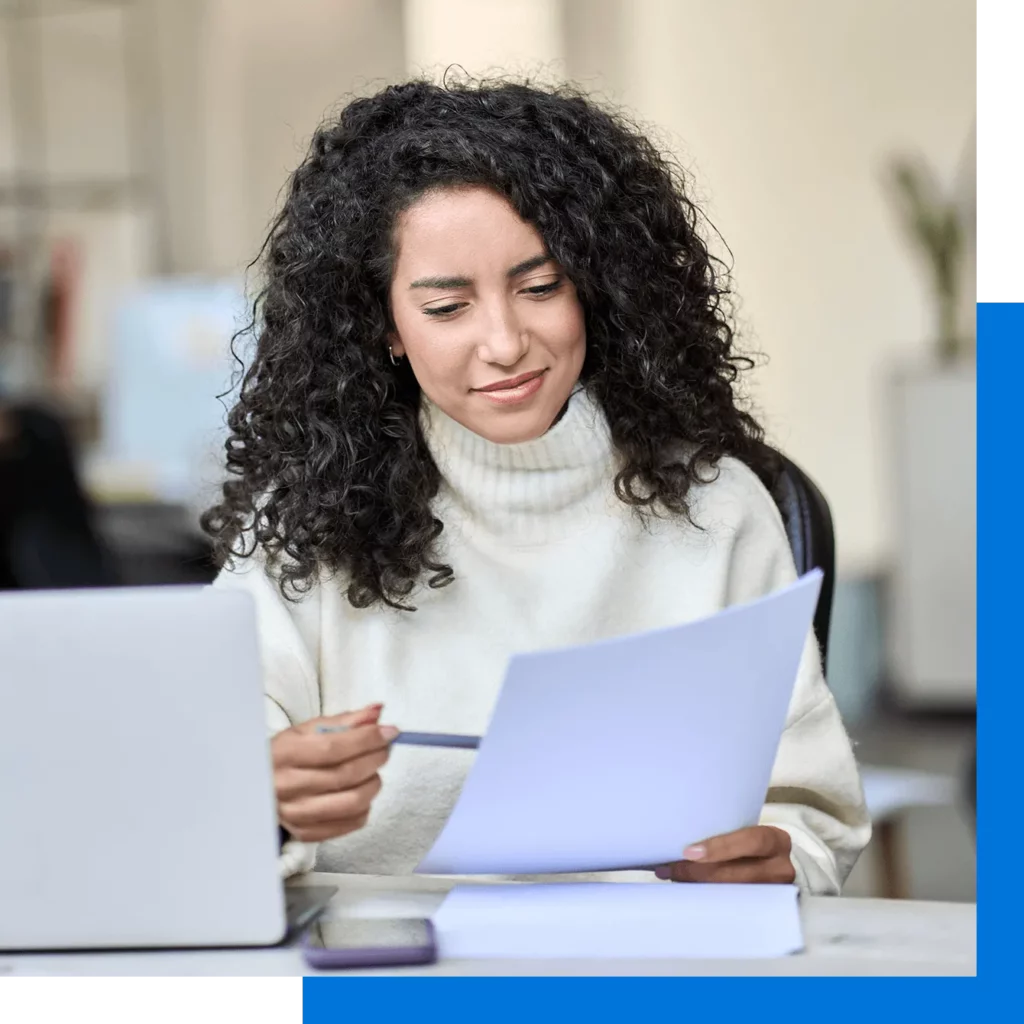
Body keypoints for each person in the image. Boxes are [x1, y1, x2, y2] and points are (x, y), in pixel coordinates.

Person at [204, 78, 871, 893]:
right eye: (447, 307)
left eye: (541, 287)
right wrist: (260, 800)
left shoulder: (717, 505)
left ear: (597, 285)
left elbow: (808, 816)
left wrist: (777, 862)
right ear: (383, 326)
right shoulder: (302, 524)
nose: (505, 342)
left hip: (652, 977)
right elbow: (201, 798)